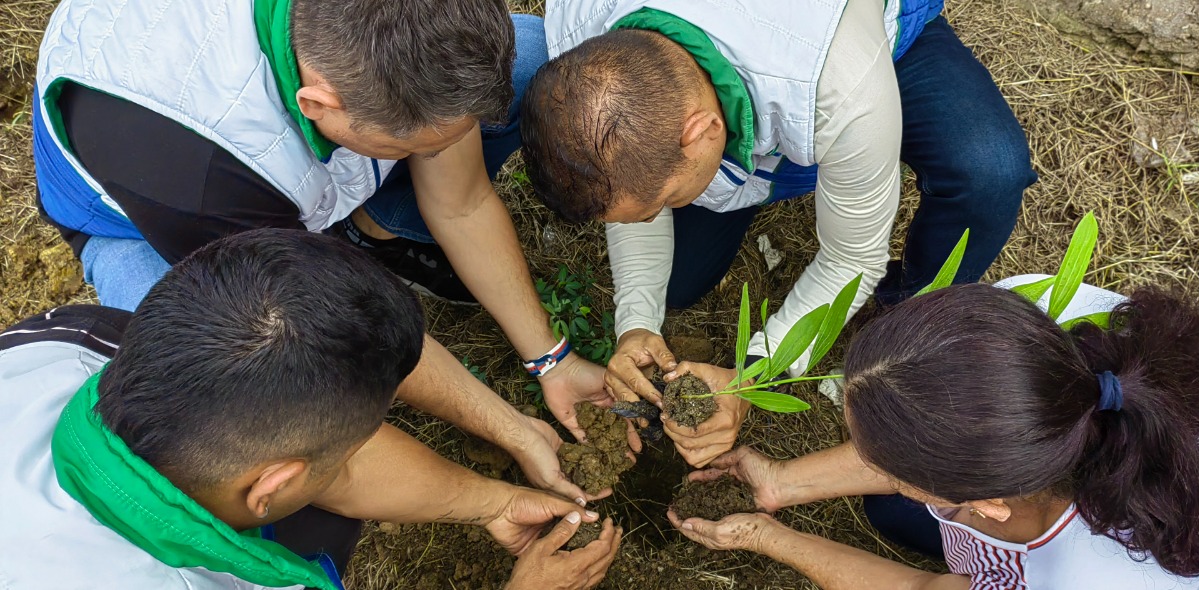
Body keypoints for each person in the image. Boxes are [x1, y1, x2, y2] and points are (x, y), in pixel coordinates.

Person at [32, 0, 617, 447]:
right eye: (418, 148)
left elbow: (460, 203)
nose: (437, 153)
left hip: (287, 168)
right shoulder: (199, 179)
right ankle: (335, 232)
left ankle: (370, 230)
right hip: (141, 225)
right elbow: (328, 325)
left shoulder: (371, 61)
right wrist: (509, 427)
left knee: (534, 56)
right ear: (318, 105)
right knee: (228, 388)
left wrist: (553, 360)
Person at [519, 0, 1036, 466]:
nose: (654, 217)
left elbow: (852, 257)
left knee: (988, 171)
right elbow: (625, 187)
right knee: (678, 281)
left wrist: (753, 377)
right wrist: (636, 322)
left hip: (854, 39)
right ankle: (755, 171)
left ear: (703, 133)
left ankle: (908, 312)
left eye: (663, 204)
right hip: (761, 99)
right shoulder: (577, 45)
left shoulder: (840, 79)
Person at [0, 228, 622, 589]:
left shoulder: (68, 344)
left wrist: (498, 503)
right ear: (271, 485)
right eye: (354, 446)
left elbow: (328, 466)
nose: (359, 451)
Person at [666, 280, 1199, 590]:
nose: (866, 457)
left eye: (888, 465)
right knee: (891, 514)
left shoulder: (1078, 578)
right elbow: (942, 423)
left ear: (990, 501)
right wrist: (781, 483)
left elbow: (926, 588)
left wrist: (767, 538)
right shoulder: (1017, 327)